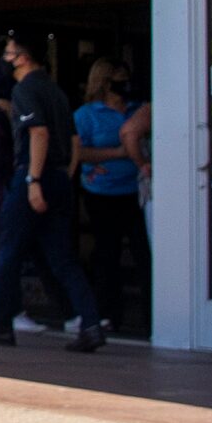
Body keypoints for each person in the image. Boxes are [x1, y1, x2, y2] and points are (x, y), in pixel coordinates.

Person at [0, 31, 106, 352]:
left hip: (34, 177)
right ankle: (90, 323)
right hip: (58, 178)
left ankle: (2, 326)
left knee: (8, 253)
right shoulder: (57, 92)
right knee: (62, 258)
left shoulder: (25, 90)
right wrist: (64, 175)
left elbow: (38, 132)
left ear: (23, 57)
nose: (6, 59)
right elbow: (73, 141)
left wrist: (33, 180)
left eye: (9, 53)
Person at [73, 60, 151, 333]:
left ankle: (152, 316)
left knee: (145, 252)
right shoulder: (86, 115)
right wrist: (117, 153)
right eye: (119, 78)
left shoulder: (136, 109)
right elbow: (78, 153)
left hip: (137, 192)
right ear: (104, 83)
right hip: (101, 192)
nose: (125, 84)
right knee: (107, 254)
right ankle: (107, 314)